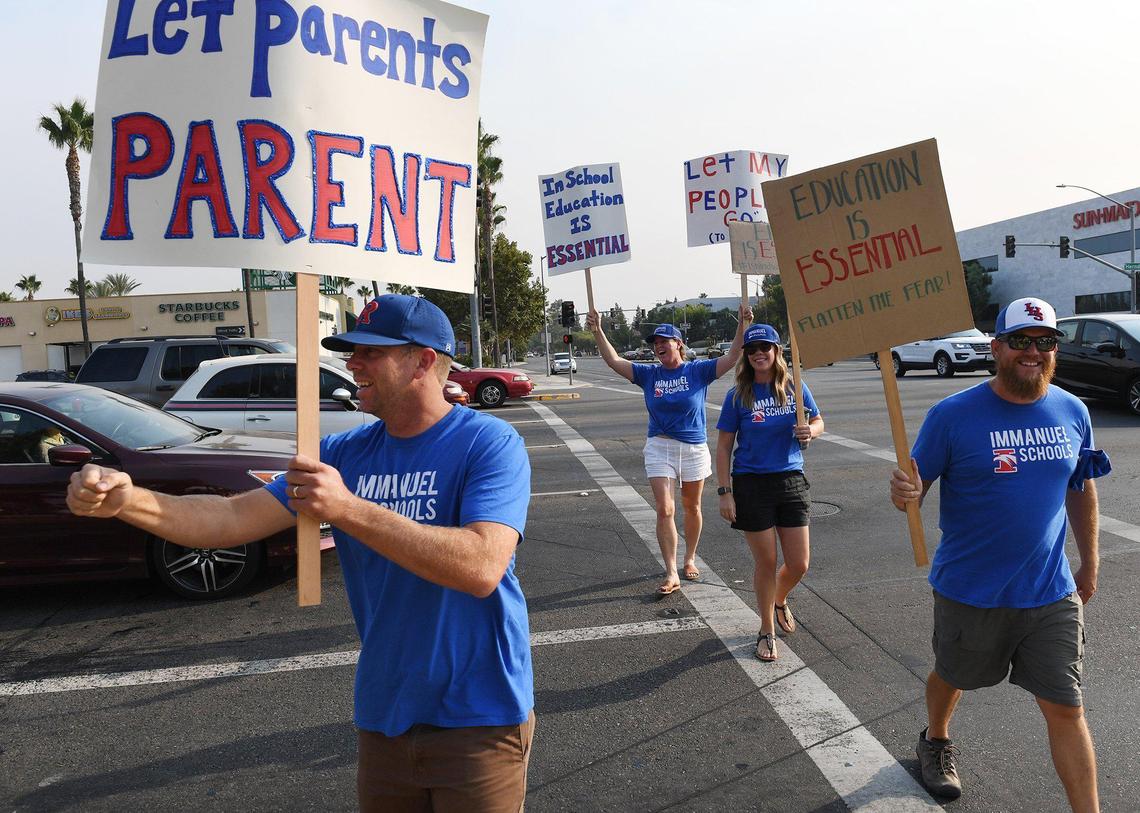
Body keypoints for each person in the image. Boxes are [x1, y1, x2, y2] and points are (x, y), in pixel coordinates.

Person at [67, 294, 535, 811]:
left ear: (423, 360)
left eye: (370, 352)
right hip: (385, 715)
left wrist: (348, 507)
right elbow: (230, 519)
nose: (352, 363)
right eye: (351, 350)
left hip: (479, 715)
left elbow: (481, 566)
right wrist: (127, 500)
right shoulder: (342, 454)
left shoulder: (489, 442)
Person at [889, 297, 1109, 811]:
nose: (1032, 352)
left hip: (1050, 592)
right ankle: (936, 738)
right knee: (953, 674)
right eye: (1020, 342)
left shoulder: (1072, 411)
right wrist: (904, 494)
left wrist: (1090, 561)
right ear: (997, 347)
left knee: (1066, 707)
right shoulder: (952, 416)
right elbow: (913, 493)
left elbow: (1081, 488)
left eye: (1045, 342)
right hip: (972, 590)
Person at [587, 302, 752, 596]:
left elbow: (733, 355)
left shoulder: (698, 371)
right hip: (659, 446)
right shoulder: (649, 375)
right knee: (665, 509)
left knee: (693, 507)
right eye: (655, 344)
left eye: (664, 341)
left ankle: (689, 558)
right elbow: (613, 361)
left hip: (693, 449)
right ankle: (671, 571)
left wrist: (742, 324)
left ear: (679, 344)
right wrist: (598, 330)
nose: (658, 347)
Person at [714, 324, 823, 662]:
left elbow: (818, 421)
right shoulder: (738, 395)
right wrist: (724, 492)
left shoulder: (794, 387)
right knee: (766, 561)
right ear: (746, 356)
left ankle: (779, 599)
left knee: (799, 563)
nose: (759, 353)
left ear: (777, 351)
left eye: (765, 347)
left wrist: (811, 431)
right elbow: (723, 447)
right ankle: (766, 629)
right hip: (751, 483)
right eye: (752, 349)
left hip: (790, 479)